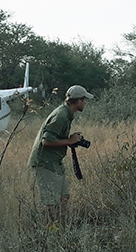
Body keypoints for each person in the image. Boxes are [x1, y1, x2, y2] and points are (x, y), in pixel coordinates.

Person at [28, 84, 93, 226]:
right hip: (44, 162)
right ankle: (52, 234)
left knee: (64, 198)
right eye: (84, 100)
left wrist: (71, 140)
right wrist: (69, 140)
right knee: (52, 204)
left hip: (54, 162)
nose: (85, 103)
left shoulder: (66, 113)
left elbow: (55, 138)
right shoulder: (61, 115)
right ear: (78, 101)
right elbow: (46, 141)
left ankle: (61, 230)